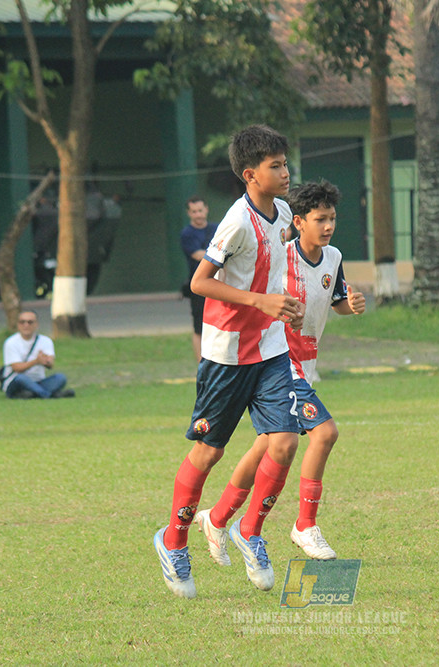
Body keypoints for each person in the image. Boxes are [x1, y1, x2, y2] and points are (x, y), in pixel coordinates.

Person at [153, 124, 304, 600]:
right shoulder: (237, 222)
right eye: (275, 166)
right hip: (227, 355)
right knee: (210, 452)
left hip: (271, 348)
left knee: (284, 441)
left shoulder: (283, 212)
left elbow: (275, 267)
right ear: (249, 174)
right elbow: (200, 282)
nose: (286, 172)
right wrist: (260, 301)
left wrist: (287, 303)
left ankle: (249, 530)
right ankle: (173, 540)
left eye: (285, 163)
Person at [194, 179, 366, 567]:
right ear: (298, 222)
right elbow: (257, 296)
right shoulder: (279, 255)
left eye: (332, 218)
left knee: (267, 445)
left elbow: (337, 300)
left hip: (306, 363)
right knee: (325, 433)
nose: (328, 226)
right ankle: (305, 524)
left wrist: (351, 305)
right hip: (278, 360)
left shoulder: (334, 257)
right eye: (320, 219)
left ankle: (217, 518)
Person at [0, 310, 74, 399]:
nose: (26, 325)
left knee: (60, 377)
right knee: (21, 378)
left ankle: (31, 393)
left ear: (36, 324)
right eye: (22, 322)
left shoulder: (46, 341)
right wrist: (36, 361)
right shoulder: (11, 342)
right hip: (16, 382)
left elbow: (50, 364)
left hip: (38, 381)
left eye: (30, 322)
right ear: (18, 325)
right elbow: (17, 368)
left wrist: (46, 361)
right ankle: (48, 395)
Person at [179, 196, 219, 363]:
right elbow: (198, 255)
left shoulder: (217, 228)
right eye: (194, 212)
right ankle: (201, 364)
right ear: (189, 213)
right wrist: (221, 254)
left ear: (206, 210)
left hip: (219, 284)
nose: (198, 215)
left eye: (200, 210)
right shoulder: (187, 234)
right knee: (199, 327)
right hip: (199, 287)